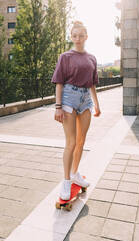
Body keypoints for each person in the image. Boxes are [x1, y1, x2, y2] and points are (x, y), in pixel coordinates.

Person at [51, 21, 101, 200]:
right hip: (69, 99)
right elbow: (59, 82)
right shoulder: (65, 57)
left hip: (85, 100)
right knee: (71, 142)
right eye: (74, 36)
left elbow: (92, 84)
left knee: (81, 141)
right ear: (71, 37)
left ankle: (75, 174)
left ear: (86, 37)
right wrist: (58, 107)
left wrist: (96, 104)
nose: (77, 39)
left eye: (81, 35)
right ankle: (65, 181)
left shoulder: (92, 58)